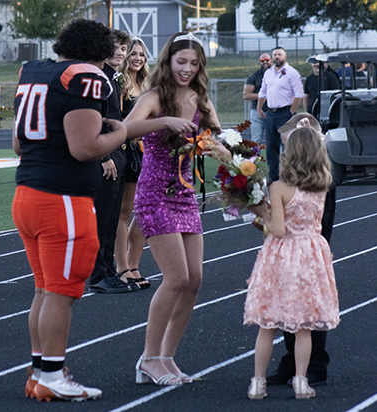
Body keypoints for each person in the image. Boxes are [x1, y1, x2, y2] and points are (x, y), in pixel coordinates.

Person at [12, 19, 127, 401]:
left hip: (28, 192)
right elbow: (85, 148)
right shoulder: (85, 76)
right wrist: (121, 134)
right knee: (60, 292)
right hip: (62, 199)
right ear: (98, 52)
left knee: (45, 290)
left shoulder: (34, 70)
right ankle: (52, 376)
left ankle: (40, 371)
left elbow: (18, 143)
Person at [124, 32, 231, 385]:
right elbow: (126, 130)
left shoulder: (200, 98)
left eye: (194, 63)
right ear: (168, 60)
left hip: (186, 195)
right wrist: (166, 121)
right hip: (155, 192)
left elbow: (215, 138)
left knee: (195, 280)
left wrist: (223, 152)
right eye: (181, 61)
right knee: (177, 278)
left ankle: (166, 357)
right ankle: (148, 358)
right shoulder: (154, 97)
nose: (186, 68)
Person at [244, 125, 339, 400]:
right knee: (303, 326)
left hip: (282, 256)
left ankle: (258, 383)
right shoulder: (322, 185)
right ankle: (300, 381)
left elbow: (279, 229)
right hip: (311, 256)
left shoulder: (279, 187)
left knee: (267, 322)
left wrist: (260, 211)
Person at [265, 113, 337, 387]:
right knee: (291, 309)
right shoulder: (289, 179)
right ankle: (293, 361)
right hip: (293, 248)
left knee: (308, 310)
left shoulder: (321, 182)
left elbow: (323, 223)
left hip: (307, 248)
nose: (285, 152)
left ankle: (314, 363)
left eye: (288, 146)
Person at [88, 29, 134, 294]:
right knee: (102, 218)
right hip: (104, 154)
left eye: (123, 48)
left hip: (118, 152)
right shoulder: (98, 77)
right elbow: (94, 118)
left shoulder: (114, 78)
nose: (120, 53)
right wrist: (104, 156)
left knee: (112, 217)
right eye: (116, 48)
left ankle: (108, 270)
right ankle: (98, 274)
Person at [113, 37, 150, 288]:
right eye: (133, 54)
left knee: (145, 211)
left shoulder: (148, 85)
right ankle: (122, 267)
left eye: (141, 55)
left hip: (147, 154)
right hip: (126, 152)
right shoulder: (119, 83)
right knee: (123, 212)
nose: (137, 58)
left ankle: (134, 264)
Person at [257, 47, 304, 182]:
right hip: (271, 113)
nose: (277, 57)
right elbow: (263, 91)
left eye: (279, 54)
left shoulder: (292, 73)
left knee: (288, 146)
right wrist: (260, 108)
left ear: (285, 56)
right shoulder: (268, 73)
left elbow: (299, 93)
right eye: (275, 55)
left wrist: (291, 111)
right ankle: (273, 176)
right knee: (271, 146)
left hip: (285, 112)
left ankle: (292, 176)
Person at [243, 53, 271, 144]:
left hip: (273, 112)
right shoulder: (254, 77)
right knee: (256, 140)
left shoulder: (277, 75)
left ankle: (276, 158)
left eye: (267, 60)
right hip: (256, 113)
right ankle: (254, 158)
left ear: (271, 60)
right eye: (262, 61)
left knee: (274, 140)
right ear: (259, 62)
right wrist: (263, 95)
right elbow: (246, 95)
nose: (265, 62)